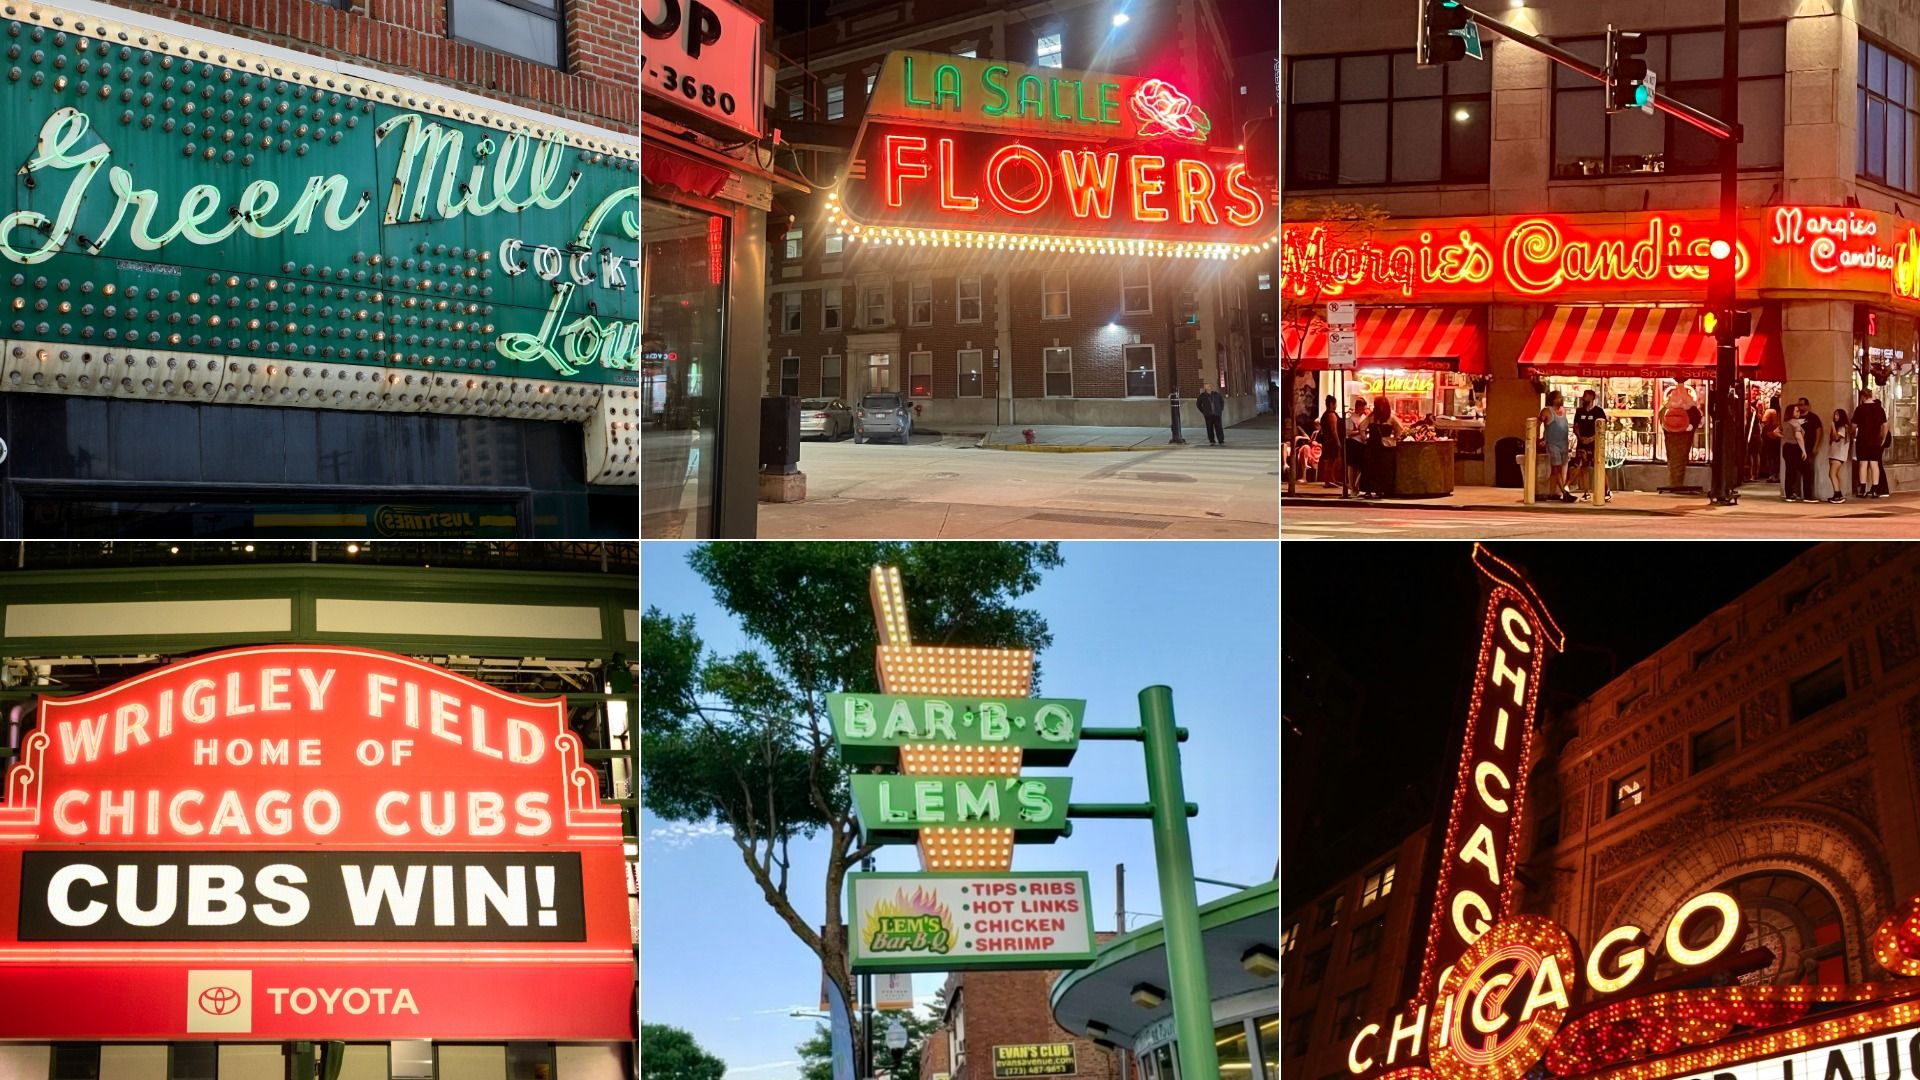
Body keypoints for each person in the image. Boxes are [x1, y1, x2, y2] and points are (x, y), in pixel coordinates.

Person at [1659, 379, 1700, 490]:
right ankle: (1676, 483)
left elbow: (1661, 416)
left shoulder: (1667, 408)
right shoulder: (1690, 408)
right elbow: (1696, 416)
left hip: (1677, 433)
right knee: (1676, 461)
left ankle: (1676, 483)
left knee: (1676, 460)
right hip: (1680, 432)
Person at [1361, 394, 1403, 496]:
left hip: (1373, 445)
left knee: (1371, 468)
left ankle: (1369, 490)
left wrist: (1365, 438)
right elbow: (1400, 429)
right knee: (1383, 469)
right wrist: (1395, 439)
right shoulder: (1390, 417)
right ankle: (1381, 489)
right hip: (1385, 446)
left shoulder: (1371, 417)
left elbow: (1362, 427)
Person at [1539, 390, 1574, 502]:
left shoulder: (1563, 411)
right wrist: (1538, 438)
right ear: (1553, 399)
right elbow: (1537, 423)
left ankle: (1554, 492)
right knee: (1556, 467)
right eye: (1558, 398)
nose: (1561, 399)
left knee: (1560, 469)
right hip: (1553, 444)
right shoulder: (1546, 411)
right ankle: (1564, 492)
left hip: (1564, 443)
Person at [1572, 388, 1606, 499]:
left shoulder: (1598, 411)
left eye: (1585, 396)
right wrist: (1580, 437)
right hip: (1582, 443)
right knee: (1583, 467)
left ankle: (1606, 489)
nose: (1583, 398)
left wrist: (1592, 438)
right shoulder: (1579, 411)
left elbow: (1602, 428)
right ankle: (1586, 492)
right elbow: (1576, 426)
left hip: (1594, 444)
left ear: (1592, 398)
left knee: (1598, 465)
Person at [1856, 387, 1889, 497]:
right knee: (1874, 464)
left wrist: (1852, 435)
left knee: (1863, 464)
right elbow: (1885, 425)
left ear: (1862, 396)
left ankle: (1862, 489)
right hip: (1875, 441)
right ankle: (1875, 489)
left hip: (1862, 440)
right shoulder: (1879, 409)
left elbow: (1854, 425)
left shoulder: (1860, 409)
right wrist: (1882, 438)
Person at [1782, 403, 1812, 502]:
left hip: (1786, 447)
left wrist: (1785, 437)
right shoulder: (1795, 423)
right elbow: (1799, 437)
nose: (1799, 412)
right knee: (1806, 470)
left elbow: (1775, 431)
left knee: (1790, 471)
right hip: (1794, 447)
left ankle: (1789, 494)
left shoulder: (1786, 422)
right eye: (1796, 411)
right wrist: (1803, 450)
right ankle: (1807, 496)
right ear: (1791, 412)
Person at [1826, 407, 1853, 503]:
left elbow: (1836, 438)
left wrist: (1833, 426)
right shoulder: (1841, 427)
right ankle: (1837, 493)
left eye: (1837, 415)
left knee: (1832, 474)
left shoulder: (1843, 427)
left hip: (1839, 455)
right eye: (1834, 415)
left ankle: (1838, 494)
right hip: (1834, 453)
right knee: (1834, 474)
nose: (1835, 417)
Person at [1345, 397, 1370, 494]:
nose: (1364, 410)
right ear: (1357, 407)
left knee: (1361, 466)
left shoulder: (1365, 418)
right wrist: (1359, 432)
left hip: (1362, 443)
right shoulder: (1350, 418)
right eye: (1363, 408)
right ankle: (1352, 487)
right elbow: (1348, 433)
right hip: (1353, 443)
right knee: (1352, 466)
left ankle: (1357, 486)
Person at [1317, 394, 1342, 487]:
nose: (1336, 406)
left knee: (1330, 461)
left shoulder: (1325, 415)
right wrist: (1338, 442)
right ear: (1331, 404)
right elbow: (1334, 430)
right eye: (1335, 404)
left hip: (1327, 441)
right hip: (1331, 441)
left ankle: (1332, 479)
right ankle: (1329, 480)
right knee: (1331, 461)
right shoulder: (1331, 415)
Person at [1760, 395, 1782, 483]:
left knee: (1771, 456)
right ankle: (1778, 475)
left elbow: (1764, 421)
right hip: (1778, 436)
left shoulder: (1769, 411)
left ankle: (1772, 475)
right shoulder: (1780, 411)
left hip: (1770, 435)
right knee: (1777, 456)